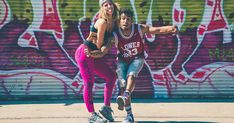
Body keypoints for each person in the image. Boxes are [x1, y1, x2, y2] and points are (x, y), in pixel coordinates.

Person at [86, 8, 178, 123]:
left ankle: (126, 95)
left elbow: (157, 30)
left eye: (128, 19)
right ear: (119, 21)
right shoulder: (115, 34)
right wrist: (94, 54)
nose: (125, 21)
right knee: (123, 85)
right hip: (122, 61)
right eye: (123, 19)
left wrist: (171, 28)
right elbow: (105, 49)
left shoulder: (139, 28)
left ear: (132, 21)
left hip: (137, 58)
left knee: (132, 75)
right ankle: (129, 115)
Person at [74, 0, 119, 122]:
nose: (109, 6)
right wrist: (107, 45)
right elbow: (99, 44)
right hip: (85, 53)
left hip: (93, 55)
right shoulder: (102, 22)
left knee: (111, 76)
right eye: (106, 5)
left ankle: (106, 107)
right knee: (89, 82)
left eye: (110, 4)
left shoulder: (113, 23)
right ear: (102, 8)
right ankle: (92, 115)